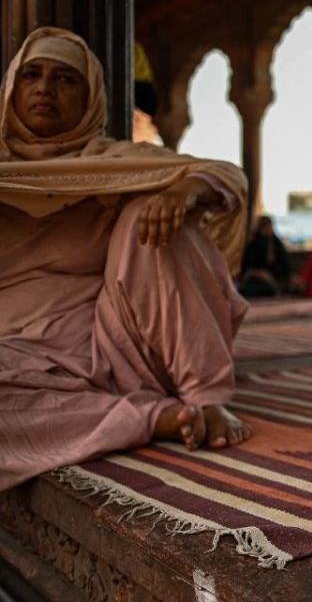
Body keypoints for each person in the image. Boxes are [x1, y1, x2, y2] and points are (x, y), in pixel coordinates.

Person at [0, 28, 252, 492]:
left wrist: (182, 191)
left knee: (150, 214)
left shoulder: (110, 160)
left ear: (91, 96)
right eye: (31, 75)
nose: (44, 88)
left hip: (114, 349)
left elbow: (224, 174)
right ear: (11, 89)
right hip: (14, 357)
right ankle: (153, 418)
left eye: (65, 79)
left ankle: (204, 396)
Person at [239, 215, 291, 297]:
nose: (268, 229)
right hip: (256, 278)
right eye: (265, 227)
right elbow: (247, 266)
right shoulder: (254, 244)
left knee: (268, 287)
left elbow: (285, 266)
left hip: (274, 279)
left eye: (269, 226)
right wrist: (259, 273)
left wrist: (270, 275)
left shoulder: (276, 243)